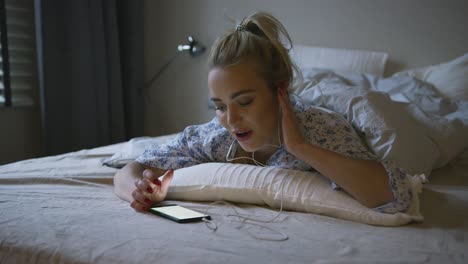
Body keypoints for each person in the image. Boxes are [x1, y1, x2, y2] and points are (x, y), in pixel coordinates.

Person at [113, 12, 412, 214]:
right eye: (219, 106)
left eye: (244, 102)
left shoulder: (320, 128)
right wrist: (140, 192)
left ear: (278, 91)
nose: (231, 119)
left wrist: (301, 148)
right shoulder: (216, 137)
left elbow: (391, 195)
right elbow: (130, 170)